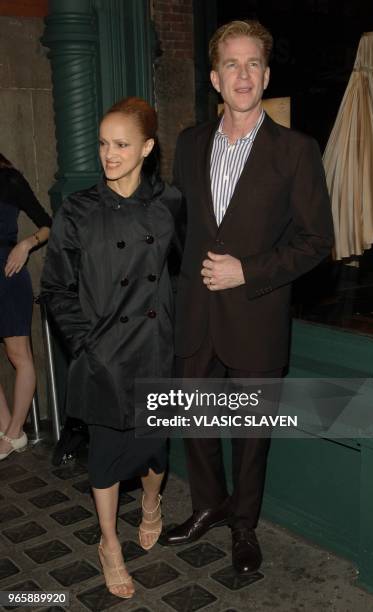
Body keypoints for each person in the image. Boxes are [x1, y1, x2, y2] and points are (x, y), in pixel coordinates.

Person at [160, 20, 334, 575]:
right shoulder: (188, 143)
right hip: (194, 314)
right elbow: (179, 227)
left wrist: (248, 271)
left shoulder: (296, 151)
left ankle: (244, 527)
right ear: (215, 77)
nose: (243, 73)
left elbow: (317, 243)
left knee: (251, 437)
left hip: (256, 316)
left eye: (253, 63)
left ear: (266, 74)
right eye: (231, 64)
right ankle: (209, 504)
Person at [41, 97, 180, 599]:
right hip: (103, 354)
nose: (109, 154)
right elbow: (55, 287)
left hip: (154, 352)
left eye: (121, 144)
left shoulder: (170, 205)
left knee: (153, 454)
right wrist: (84, 343)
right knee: (103, 457)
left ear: (147, 147)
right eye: (103, 143)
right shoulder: (77, 210)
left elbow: (186, 274)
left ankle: (149, 505)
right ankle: (108, 543)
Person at [0, 154, 51, 460]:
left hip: (6, 273)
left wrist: (26, 244)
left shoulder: (9, 179)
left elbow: (47, 224)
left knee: (18, 355)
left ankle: (16, 431)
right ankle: (8, 429)